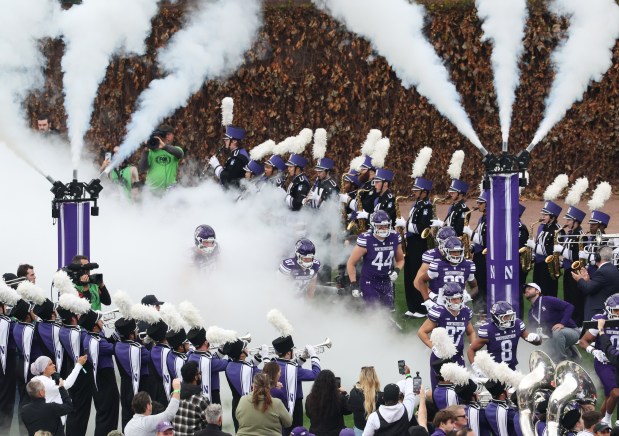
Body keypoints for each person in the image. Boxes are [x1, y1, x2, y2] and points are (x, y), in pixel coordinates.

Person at [417, 282, 475, 389]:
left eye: (459, 298)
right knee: (439, 391)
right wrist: (433, 347)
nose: (457, 301)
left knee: (460, 389)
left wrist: (473, 346)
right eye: (453, 299)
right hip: (441, 356)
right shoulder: (440, 312)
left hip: (458, 356)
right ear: (446, 299)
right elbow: (421, 332)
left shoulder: (466, 312)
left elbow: (471, 332)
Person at [346, 210, 405, 309]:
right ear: (373, 226)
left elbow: (400, 260)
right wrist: (353, 284)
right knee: (372, 314)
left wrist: (397, 270)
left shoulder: (395, 237)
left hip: (387, 282)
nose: (383, 229)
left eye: (386, 226)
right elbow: (351, 263)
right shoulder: (366, 239)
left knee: (386, 313)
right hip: (369, 282)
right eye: (380, 226)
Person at [467, 301, 541, 372]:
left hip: (512, 370)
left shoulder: (517, 325)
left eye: (509, 316)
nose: (508, 319)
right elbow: (471, 350)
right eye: (505, 317)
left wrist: (537, 338)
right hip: (494, 372)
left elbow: (537, 342)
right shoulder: (488, 330)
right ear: (495, 317)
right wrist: (475, 368)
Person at [579, 295, 619, 423]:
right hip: (604, 362)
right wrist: (594, 351)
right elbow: (583, 341)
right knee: (615, 393)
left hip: (617, 361)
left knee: (609, 396)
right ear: (608, 309)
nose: (618, 313)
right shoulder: (600, 319)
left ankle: (597, 423)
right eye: (616, 310)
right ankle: (607, 420)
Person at [80, 309, 120, 436]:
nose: (102, 321)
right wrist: (124, 332)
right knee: (108, 416)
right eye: (99, 320)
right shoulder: (98, 342)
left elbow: (107, 341)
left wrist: (117, 333)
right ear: (94, 326)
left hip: (99, 379)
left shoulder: (90, 336)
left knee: (104, 415)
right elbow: (116, 349)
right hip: (105, 380)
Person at [400, 174, 433, 318]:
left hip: (419, 244)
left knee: (417, 274)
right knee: (408, 274)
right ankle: (412, 306)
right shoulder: (417, 205)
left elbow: (423, 228)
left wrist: (406, 225)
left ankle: (421, 308)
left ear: (424, 192)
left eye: (417, 190)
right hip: (411, 244)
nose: (414, 191)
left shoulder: (427, 207)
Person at [271, 332, 321, 429]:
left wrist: (302, 358)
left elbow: (287, 364)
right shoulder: (294, 369)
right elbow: (316, 374)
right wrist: (314, 355)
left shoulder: (273, 364)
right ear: (289, 353)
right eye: (292, 350)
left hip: (276, 405)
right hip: (294, 407)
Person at [415, 236, 478, 312]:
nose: (456, 254)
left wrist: (467, 296)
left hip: (459, 305)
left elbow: (475, 287)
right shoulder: (438, 265)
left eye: (458, 251)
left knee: (463, 323)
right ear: (446, 251)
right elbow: (421, 281)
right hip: (441, 304)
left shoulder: (468, 265)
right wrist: (428, 299)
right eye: (453, 251)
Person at [524, 282, 580, 362]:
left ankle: (562, 361)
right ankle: (571, 355)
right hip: (553, 337)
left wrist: (562, 323)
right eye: (525, 290)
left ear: (537, 291)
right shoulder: (531, 312)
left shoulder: (547, 300)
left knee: (557, 332)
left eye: (529, 289)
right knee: (542, 349)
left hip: (571, 330)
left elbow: (569, 307)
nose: (526, 291)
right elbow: (533, 330)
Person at [113, 317, 152, 430]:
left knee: (126, 416)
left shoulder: (116, 346)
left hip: (124, 386)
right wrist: (147, 343)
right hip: (140, 386)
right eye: (135, 331)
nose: (136, 333)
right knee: (142, 417)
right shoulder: (139, 349)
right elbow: (149, 358)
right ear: (131, 335)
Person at [526, 200, 565, 297]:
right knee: (537, 293)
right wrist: (533, 255)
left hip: (549, 267)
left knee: (548, 293)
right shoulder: (542, 227)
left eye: (545, 215)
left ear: (552, 217)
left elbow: (552, 250)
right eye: (543, 214)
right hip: (539, 265)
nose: (542, 216)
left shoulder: (558, 230)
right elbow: (540, 243)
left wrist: (534, 246)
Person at [222, 338, 262, 431]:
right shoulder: (247, 368)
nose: (247, 349)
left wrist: (258, 356)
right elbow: (267, 374)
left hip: (236, 405)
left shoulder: (230, 366)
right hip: (248, 407)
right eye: (245, 347)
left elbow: (247, 367)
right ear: (241, 353)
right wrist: (266, 357)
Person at [362, 364, 415, 436]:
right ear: (398, 398)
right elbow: (410, 393)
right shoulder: (407, 411)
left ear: (383, 398)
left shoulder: (374, 417)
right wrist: (408, 375)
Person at [30, 355, 86, 420]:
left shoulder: (40, 379)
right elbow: (68, 384)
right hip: (52, 420)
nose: (54, 365)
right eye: (50, 364)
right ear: (44, 369)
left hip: (49, 417)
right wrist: (78, 365)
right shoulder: (44, 382)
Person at [573, 246, 619, 322]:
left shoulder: (602, 271)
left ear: (598, 257)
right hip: (605, 308)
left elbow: (587, 289)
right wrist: (587, 280)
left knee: (592, 333)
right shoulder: (612, 268)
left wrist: (579, 279)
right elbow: (598, 286)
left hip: (597, 311)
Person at [186, 327, 229, 404]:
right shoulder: (208, 361)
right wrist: (233, 349)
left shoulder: (192, 355)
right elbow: (228, 364)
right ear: (206, 342)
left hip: (199, 393)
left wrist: (221, 351)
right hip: (212, 394)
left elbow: (212, 360)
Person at [560, 204, 587, 325]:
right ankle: (570, 322)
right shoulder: (570, 233)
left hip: (576, 272)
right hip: (568, 271)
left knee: (575, 299)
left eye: (569, 219)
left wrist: (562, 251)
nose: (566, 222)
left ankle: (577, 323)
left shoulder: (581, 236)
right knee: (568, 298)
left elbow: (577, 256)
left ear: (576, 221)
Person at [139, 124, 184, 193]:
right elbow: (142, 169)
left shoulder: (175, 149)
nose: (172, 136)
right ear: (167, 136)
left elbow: (180, 154)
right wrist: (145, 150)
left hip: (170, 191)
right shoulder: (150, 152)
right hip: (151, 192)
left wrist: (164, 146)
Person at [305, 369, 351, 436]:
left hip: (316, 433)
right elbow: (348, 410)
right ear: (333, 383)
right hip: (336, 433)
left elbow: (309, 414)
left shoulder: (310, 398)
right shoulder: (339, 398)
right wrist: (345, 394)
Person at [173, 361, 209, 436]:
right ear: (195, 377)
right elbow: (212, 423)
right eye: (200, 373)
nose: (200, 375)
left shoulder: (174, 395)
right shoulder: (201, 400)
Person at [348, 366, 383, 436]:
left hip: (359, 431)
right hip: (376, 431)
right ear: (375, 377)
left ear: (361, 378)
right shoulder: (380, 396)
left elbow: (349, 408)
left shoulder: (353, 393)